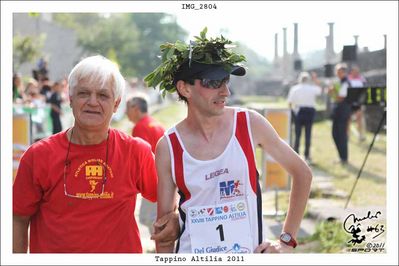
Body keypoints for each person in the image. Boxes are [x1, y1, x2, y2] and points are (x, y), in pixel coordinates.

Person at [145, 28, 312, 253]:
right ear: (184, 88)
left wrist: (287, 242)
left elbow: (302, 173)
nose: (225, 91)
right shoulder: (169, 146)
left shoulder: (249, 123)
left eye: (225, 80)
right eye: (213, 82)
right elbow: (163, 233)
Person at [13, 55, 178, 253]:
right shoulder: (38, 155)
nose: (93, 102)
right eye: (84, 93)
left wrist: (176, 216)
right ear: (71, 99)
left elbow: (168, 197)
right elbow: (17, 218)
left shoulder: (136, 151)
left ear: (116, 105)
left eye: (103, 95)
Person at [126, 96, 165, 234]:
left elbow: (140, 158)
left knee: (148, 217)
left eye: (127, 108)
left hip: (153, 179)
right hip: (164, 177)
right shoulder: (156, 123)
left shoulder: (140, 127)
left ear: (135, 109)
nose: (125, 113)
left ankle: (161, 248)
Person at [287, 72, 322, 164]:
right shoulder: (312, 88)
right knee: (308, 134)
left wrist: (292, 113)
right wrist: (315, 80)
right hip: (310, 111)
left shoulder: (295, 89)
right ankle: (307, 155)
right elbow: (320, 89)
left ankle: (296, 154)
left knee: (297, 134)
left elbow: (290, 102)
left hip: (299, 111)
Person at [328, 63, 352, 165]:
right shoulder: (341, 82)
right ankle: (342, 157)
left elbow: (340, 98)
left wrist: (332, 92)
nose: (337, 74)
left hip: (343, 112)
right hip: (338, 111)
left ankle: (344, 158)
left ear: (343, 72)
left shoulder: (346, 83)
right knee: (335, 134)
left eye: (339, 72)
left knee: (341, 135)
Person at [348, 65, 367, 142]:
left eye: (357, 71)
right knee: (348, 119)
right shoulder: (348, 79)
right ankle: (347, 135)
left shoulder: (361, 79)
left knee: (359, 118)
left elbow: (364, 90)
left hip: (358, 103)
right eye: (355, 71)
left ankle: (360, 135)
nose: (356, 73)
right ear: (352, 71)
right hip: (349, 102)